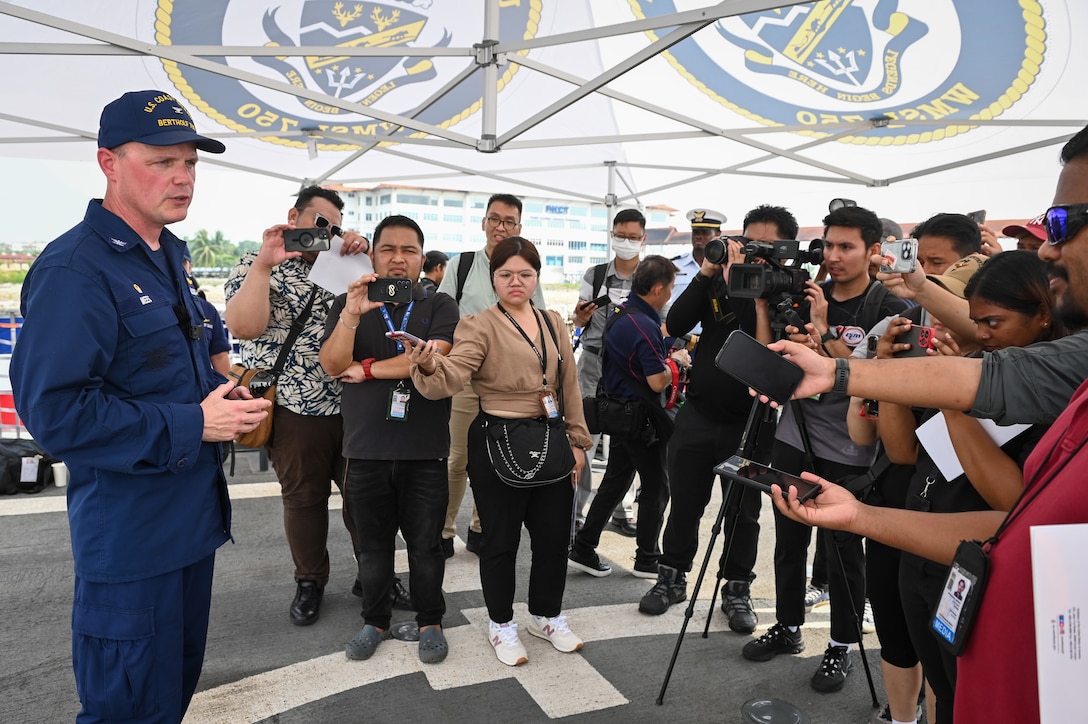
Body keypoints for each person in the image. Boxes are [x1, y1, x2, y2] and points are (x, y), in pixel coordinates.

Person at [758, 122, 1088, 724]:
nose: (1048, 248)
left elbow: (1008, 497)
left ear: (1041, 317)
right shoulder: (1002, 372)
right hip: (930, 549)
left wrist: (840, 373)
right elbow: (1008, 524)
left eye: (1064, 224)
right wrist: (861, 511)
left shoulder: (1026, 380)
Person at [10, 89, 271, 723]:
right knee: (126, 711)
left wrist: (221, 382)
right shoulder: (76, 270)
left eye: (189, 163)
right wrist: (195, 422)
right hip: (131, 542)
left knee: (170, 698)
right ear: (109, 163)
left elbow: (199, 339)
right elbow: (56, 416)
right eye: (160, 162)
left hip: (189, 527)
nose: (182, 178)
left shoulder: (168, 252)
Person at [743, 205, 909, 695]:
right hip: (793, 433)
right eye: (829, 245)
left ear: (872, 251)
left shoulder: (887, 308)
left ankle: (840, 644)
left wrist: (826, 332)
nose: (833, 256)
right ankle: (789, 626)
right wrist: (766, 311)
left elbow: (877, 380)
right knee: (789, 534)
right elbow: (769, 360)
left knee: (842, 551)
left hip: (852, 446)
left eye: (846, 247)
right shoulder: (802, 292)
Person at [409, 237, 592, 666]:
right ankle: (502, 623)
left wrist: (578, 442)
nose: (516, 282)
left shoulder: (552, 322)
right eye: (506, 274)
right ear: (494, 279)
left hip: (550, 436)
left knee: (551, 538)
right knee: (500, 540)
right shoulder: (478, 324)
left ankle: (546, 615)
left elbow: (569, 388)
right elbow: (454, 373)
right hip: (497, 437)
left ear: (536, 278)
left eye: (525, 274)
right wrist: (428, 362)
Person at [224, 185, 372, 626]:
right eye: (321, 223)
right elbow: (245, 327)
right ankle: (310, 581)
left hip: (351, 404)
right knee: (303, 499)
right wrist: (266, 265)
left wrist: (365, 256)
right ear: (295, 217)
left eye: (336, 227)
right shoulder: (257, 263)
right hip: (292, 407)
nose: (327, 233)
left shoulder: (346, 267)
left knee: (364, 497)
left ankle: (374, 573)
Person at [318, 215, 459, 664]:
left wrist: (369, 369)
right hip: (365, 448)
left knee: (426, 545)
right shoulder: (348, 302)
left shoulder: (440, 306)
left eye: (409, 250)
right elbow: (332, 364)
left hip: (424, 449)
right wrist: (351, 316)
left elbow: (433, 356)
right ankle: (374, 620)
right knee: (372, 547)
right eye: (388, 250)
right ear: (373, 255)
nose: (399, 259)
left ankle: (430, 620)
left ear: (421, 256)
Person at [639, 205, 788, 627]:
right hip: (700, 413)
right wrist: (708, 272)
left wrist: (746, 284)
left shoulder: (783, 289)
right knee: (685, 501)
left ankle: (737, 589)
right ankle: (671, 577)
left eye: (764, 245)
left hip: (752, 420)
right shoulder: (717, 280)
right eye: (748, 241)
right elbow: (679, 322)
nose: (752, 252)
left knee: (743, 511)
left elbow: (759, 347)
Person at [436, 194, 546, 558]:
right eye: (495, 219)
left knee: (497, 458)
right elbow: (441, 313)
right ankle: (444, 529)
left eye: (509, 221)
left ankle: (481, 528)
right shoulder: (462, 265)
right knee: (458, 458)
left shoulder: (525, 267)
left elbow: (539, 318)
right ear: (483, 223)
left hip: (508, 383)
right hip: (466, 378)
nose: (501, 227)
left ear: (519, 226)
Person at [568, 255, 689, 578]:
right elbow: (656, 380)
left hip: (622, 413)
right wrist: (675, 363)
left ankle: (584, 546)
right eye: (671, 288)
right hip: (642, 418)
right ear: (659, 289)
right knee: (656, 487)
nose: (671, 295)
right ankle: (647, 558)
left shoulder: (621, 313)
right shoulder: (644, 325)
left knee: (616, 479)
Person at [571, 208, 648, 536]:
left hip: (632, 375)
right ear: (612, 234)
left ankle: (620, 510)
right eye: (621, 235)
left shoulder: (651, 276)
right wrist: (581, 317)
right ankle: (574, 515)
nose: (626, 241)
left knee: (626, 448)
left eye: (633, 237)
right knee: (583, 443)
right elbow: (579, 320)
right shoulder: (596, 274)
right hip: (591, 369)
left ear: (643, 239)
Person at [668, 208, 726, 332]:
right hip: (678, 336)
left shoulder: (724, 269)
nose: (699, 236)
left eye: (705, 232)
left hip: (709, 339)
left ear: (718, 234)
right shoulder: (674, 265)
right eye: (695, 232)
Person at [182, 245, 231, 376]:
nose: (176, 267)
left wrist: (227, 391)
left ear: (190, 267)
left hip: (204, 391)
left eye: (181, 262)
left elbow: (219, 356)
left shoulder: (207, 310)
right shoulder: (146, 310)